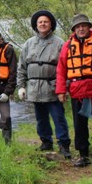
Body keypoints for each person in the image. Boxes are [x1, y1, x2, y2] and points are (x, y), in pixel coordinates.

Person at [56, 14, 92, 167]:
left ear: (89, 27)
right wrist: (61, 91)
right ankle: (83, 155)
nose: (81, 28)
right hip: (77, 91)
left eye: (83, 25)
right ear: (74, 29)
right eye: (78, 26)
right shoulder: (67, 45)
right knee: (79, 124)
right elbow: (61, 69)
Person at [18, 10, 71, 158]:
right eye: (40, 22)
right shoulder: (29, 43)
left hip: (53, 87)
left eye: (45, 22)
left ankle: (64, 144)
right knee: (41, 118)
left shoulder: (59, 43)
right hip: (34, 88)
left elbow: (66, 67)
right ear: (36, 25)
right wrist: (21, 86)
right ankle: (46, 141)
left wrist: (64, 87)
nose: (42, 24)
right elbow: (22, 66)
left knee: (58, 117)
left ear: (51, 24)